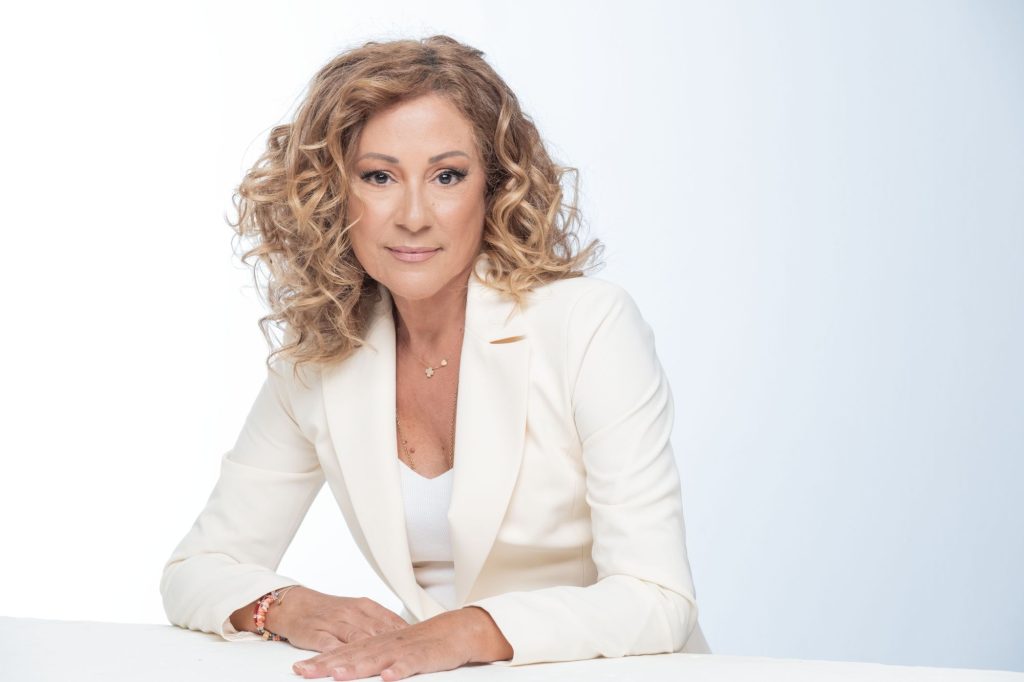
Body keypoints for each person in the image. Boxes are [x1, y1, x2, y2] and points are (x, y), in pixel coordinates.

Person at [160, 34, 710, 681]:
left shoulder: (587, 324)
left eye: (447, 176)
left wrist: (466, 630)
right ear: (332, 193)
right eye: (379, 176)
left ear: (495, 187)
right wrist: (286, 606)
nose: (414, 215)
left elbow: (656, 597)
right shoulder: (317, 361)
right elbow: (197, 569)